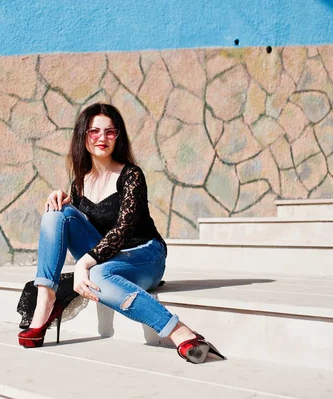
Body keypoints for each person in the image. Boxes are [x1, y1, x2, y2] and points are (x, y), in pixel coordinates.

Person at [17, 103, 225, 363]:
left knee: (99, 274)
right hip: (106, 257)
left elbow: (123, 230)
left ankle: (180, 332)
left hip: (145, 254)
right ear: (83, 136)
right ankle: (46, 299)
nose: (101, 138)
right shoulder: (80, 182)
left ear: (119, 137)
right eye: (94, 131)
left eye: (109, 132)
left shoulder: (131, 175)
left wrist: (83, 263)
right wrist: (61, 200)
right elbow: (78, 228)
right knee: (55, 211)